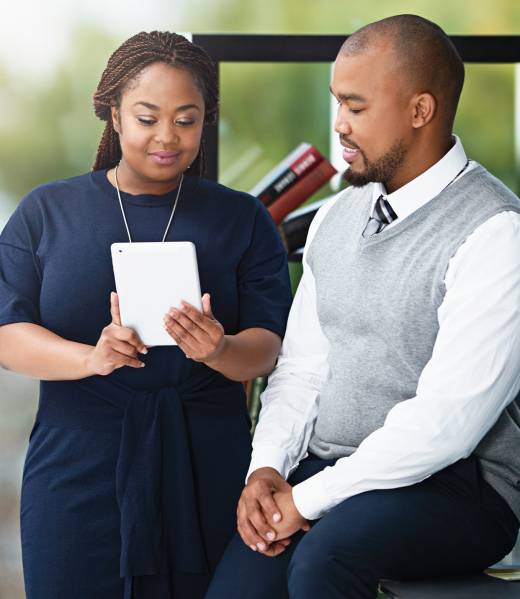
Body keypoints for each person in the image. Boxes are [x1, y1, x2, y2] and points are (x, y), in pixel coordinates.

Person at [206, 14, 520, 599]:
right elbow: (302, 371)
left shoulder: (496, 233)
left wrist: (305, 500)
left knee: (326, 560)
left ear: (420, 110)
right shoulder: (334, 216)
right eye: (337, 104)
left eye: (356, 106)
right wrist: (268, 469)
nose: (339, 126)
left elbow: (445, 425)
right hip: (329, 472)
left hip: (459, 488)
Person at [0, 31, 292, 599]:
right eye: (147, 117)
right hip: (77, 467)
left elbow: (269, 347)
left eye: (187, 119)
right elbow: (7, 337)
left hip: (207, 464)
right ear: (113, 113)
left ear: (207, 120)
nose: (167, 137)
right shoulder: (46, 212)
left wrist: (219, 349)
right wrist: (91, 357)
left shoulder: (243, 218)